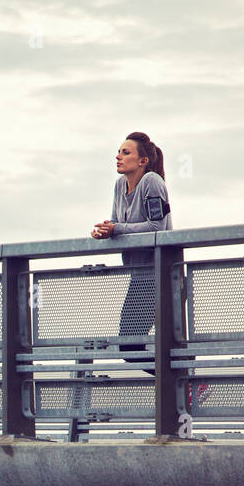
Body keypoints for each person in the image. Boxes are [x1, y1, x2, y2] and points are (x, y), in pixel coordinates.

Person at [89, 132, 173, 372]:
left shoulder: (152, 181)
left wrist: (117, 229)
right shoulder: (119, 186)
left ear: (142, 161)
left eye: (126, 153)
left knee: (131, 345)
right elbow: (117, 224)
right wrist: (105, 232)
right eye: (119, 152)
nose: (118, 157)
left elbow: (157, 227)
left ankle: (184, 384)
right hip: (140, 277)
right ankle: (182, 384)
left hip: (160, 276)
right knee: (129, 346)